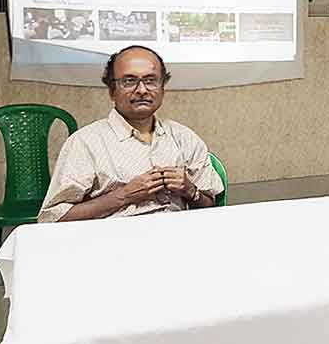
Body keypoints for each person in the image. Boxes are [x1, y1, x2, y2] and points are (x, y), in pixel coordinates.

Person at [38, 45, 223, 222]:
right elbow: (54, 218)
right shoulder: (85, 143)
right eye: (129, 81)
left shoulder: (184, 138)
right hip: (111, 244)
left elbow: (211, 207)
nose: (142, 90)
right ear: (112, 91)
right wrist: (123, 195)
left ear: (162, 88)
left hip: (176, 239)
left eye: (151, 80)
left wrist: (190, 191)